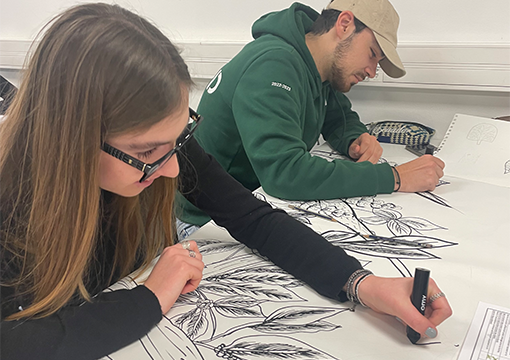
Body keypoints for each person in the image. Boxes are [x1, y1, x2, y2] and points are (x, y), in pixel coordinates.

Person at [0, 3, 451, 359]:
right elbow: (19, 342)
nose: (174, 171)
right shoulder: (12, 206)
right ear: (74, 137)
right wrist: (150, 296)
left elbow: (253, 217)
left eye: (179, 139)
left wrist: (361, 283)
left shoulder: (162, 147)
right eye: (147, 154)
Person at [176, 0, 446, 228]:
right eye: (373, 54)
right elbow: (285, 173)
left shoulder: (318, 66)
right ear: (344, 24)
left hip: (247, 206)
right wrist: (395, 178)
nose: (372, 71)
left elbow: (338, 115)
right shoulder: (274, 64)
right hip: (204, 222)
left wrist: (354, 138)